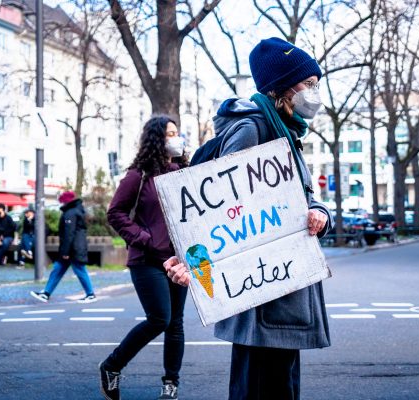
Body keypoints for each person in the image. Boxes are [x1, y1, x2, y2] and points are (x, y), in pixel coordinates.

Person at [164, 37, 332, 400]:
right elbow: (216, 207)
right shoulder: (253, 129)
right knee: (261, 387)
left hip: (282, 289)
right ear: (282, 89)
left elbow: (305, 197)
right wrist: (194, 260)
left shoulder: (286, 131)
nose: (314, 93)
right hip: (261, 296)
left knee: (277, 386)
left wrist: (320, 212)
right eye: (308, 84)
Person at [99, 116, 189, 400]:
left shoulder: (183, 172)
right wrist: (144, 238)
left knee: (176, 323)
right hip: (147, 260)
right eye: (168, 134)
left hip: (178, 261)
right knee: (160, 318)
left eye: (176, 133)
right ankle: (112, 365)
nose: (175, 138)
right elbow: (115, 213)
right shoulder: (137, 176)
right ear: (155, 139)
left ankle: (170, 383)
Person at [30, 191, 96, 304]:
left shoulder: (70, 213)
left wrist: (65, 252)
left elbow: (68, 234)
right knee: (58, 269)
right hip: (74, 247)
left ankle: (90, 294)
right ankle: (46, 293)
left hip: (73, 249)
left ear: (66, 201)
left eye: (61, 201)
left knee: (79, 270)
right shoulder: (76, 211)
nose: (60, 203)